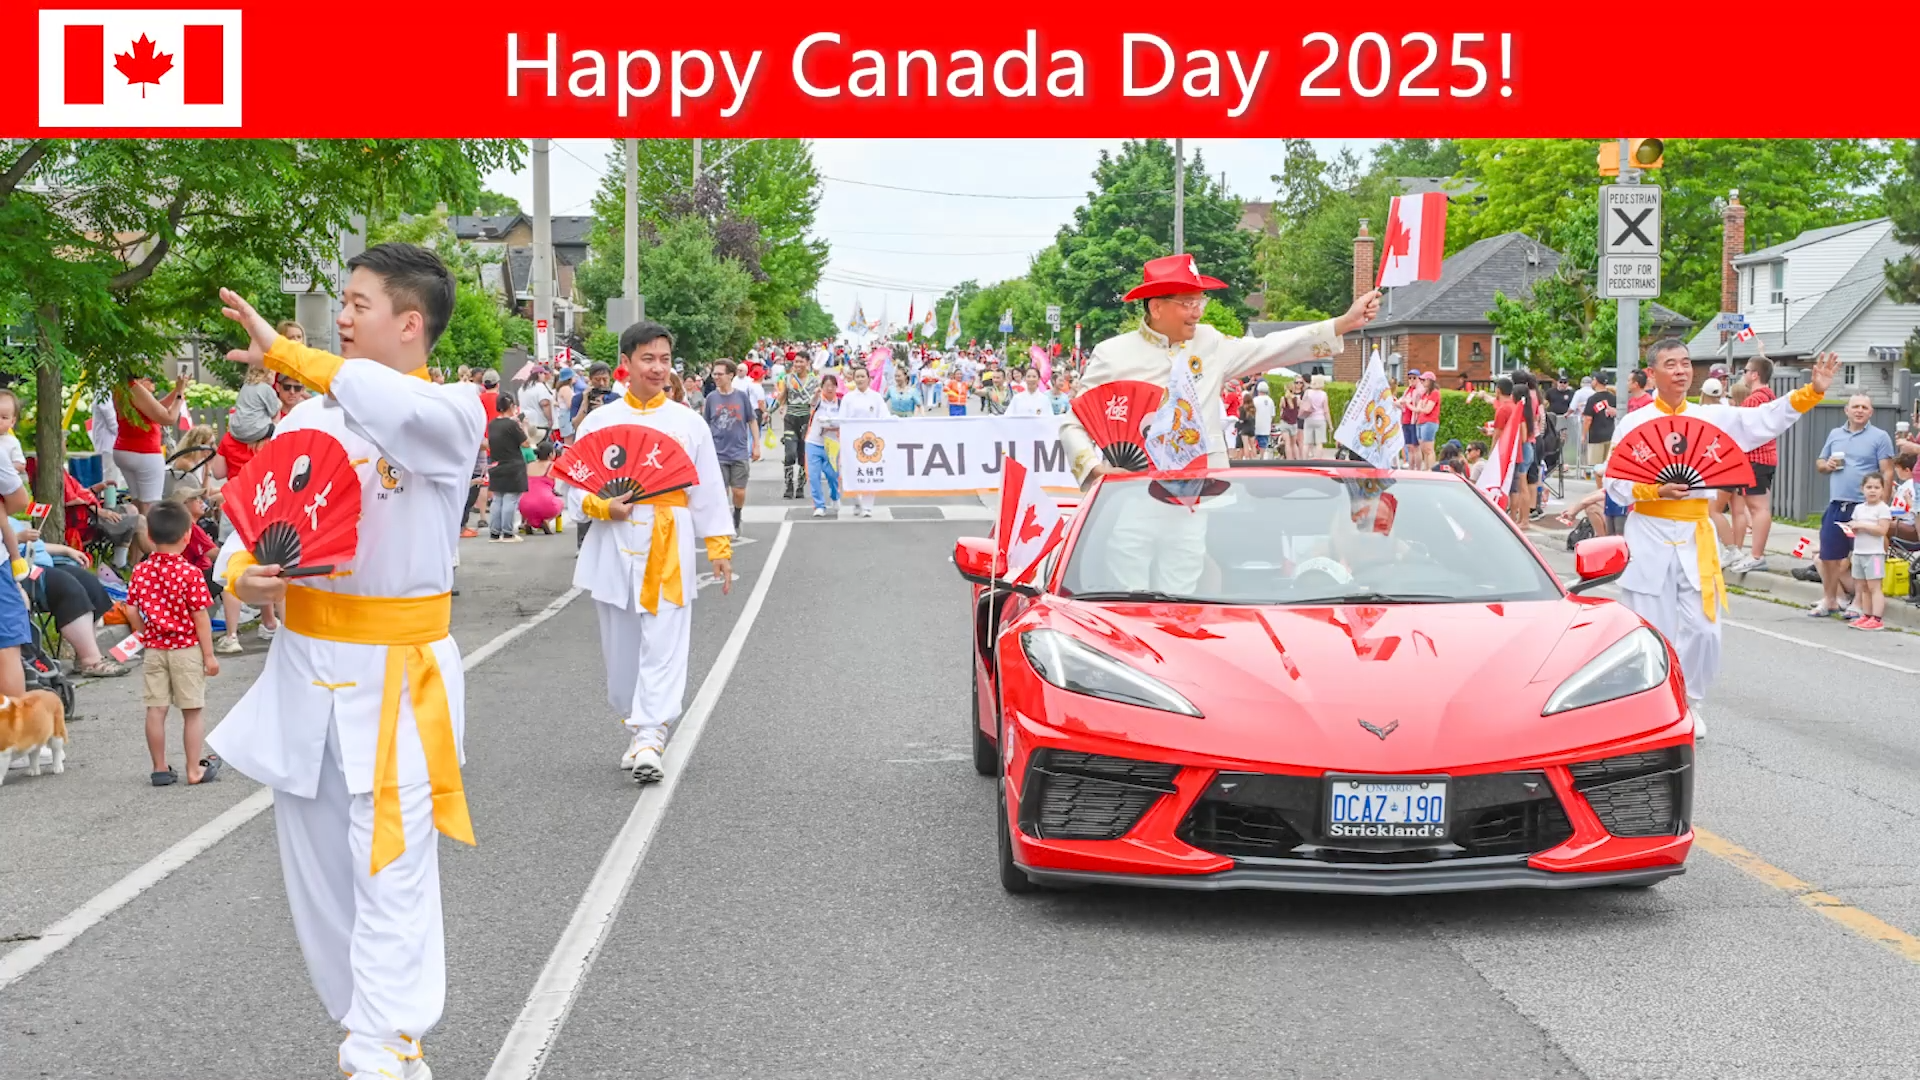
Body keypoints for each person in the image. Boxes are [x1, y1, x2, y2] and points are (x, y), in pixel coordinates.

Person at [212, 242, 486, 1080]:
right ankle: (363, 1025)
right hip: (304, 674)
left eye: (360, 303)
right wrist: (242, 578)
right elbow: (243, 531)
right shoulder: (302, 423)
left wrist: (290, 352)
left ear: (411, 323)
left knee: (390, 865)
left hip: (399, 679)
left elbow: (378, 400)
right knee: (321, 870)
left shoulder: (452, 413)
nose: (344, 315)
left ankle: (387, 1041)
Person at [1058, 255, 1378, 593]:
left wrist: (1343, 323)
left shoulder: (1209, 343)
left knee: (1181, 595)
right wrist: (1095, 470)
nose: (1198, 312)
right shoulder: (1113, 354)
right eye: (1187, 303)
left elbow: (1270, 347)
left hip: (1193, 499)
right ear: (1156, 307)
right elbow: (1073, 421)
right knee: (1127, 596)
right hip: (1132, 499)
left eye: (1200, 301)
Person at [1604, 341, 1836, 738]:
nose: (1680, 371)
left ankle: (1688, 703)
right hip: (1649, 533)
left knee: (1705, 630)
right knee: (1650, 629)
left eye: (1685, 364)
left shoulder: (1712, 418)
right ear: (1653, 373)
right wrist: (1654, 491)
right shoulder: (1633, 424)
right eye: (1669, 364)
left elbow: (1764, 420)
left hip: (1697, 534)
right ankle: (1655, 707)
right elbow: (1614, 481)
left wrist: (1811, 391)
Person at [563, 319, 734, 785]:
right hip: (611, 545)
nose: (658, 368)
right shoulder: (599, 422)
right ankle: (636, 721)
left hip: (667, 542)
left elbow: (709, 492)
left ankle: (650, 735)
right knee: (621, 654)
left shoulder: (688, 423)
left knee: (664, 641)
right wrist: (601, 505)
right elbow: (573, 488)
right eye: (648, 359)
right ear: (626, 364)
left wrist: (718, 545)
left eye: (664, 359)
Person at [126, 499, 220, 787]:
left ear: (150, 537)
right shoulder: (190, 573)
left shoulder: (141, 571)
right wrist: (209, 655)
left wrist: (144, 632)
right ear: (187, 536)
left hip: (155, 650)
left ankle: (160, 767)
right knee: (192, 711)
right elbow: (200, 616)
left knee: (156, 709)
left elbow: (130, 609)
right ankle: (194, 769)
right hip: (186, 649)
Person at [1811, 393, 1898, 619]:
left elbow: (1887, 471)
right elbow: (1820, 463)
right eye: (1855, 406)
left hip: (1864, 507)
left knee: (1862, 556)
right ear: (1846, 410)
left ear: (1871, 412)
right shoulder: (1835, 434)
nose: (1859, 410)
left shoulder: (1880, 437)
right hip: (1837, 503)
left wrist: (1882, 506)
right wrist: (1826, 464)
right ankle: (1830, 599)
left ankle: (1859, 603)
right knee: (1829, 556)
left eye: (1864, 407)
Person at [114, 369, 188, 512]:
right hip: (144, 451)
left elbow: (154, 409)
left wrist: (177, 390)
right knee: (150, 506)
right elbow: (169, 418)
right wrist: (180, 395)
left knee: (137, 503)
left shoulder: (121, 387)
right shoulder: (134, 388)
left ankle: (137, 533)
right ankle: (149, 534)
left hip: (124, 449)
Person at [702, 359, 760, 531]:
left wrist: (756, 445)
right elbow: (705, 425)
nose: (716, 377)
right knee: (721, 491)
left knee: (739, 491)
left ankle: (737, 513)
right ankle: (723, 520)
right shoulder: (711, 398)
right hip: (718, 452)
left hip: (739, 452)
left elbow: (752, 421)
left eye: (720, 374)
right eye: (714, 374)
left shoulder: (741, 397)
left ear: (731, 375)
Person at [219, 352, 286, 479]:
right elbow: (273, 411)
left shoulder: (245, 387)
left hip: (237, 430)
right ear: (268, 374)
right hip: (257, 431)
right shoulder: (266, 389)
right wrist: (279, 403)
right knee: (277, 413)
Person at [1844, 474, 1893, 631]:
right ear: (1862, 489)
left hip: (1875, 554)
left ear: (1882, 490)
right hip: (1859, 552)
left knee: (1874, 586)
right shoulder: (1859, 508)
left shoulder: (1883, 509)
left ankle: (1877, 619)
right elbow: (1855, 530)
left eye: (1876, 487)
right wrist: (1852, 527)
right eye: (1869, 487)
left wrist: (1863, 525)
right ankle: (1866, 615)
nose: (1872, 491)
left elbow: (1882, 530)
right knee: (1862, 587)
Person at [486, 395, 530, 542]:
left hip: (497, 463)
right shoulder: (511, 425)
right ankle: (508, 532)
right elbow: (526, 443)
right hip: (513, 464)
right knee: (510, 499)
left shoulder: (492, 424)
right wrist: (523, 426)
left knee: (497, 499)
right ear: (511, 406)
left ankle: (494, 532)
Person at [778, 353, 818, 500]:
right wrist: (769, 411)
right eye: (796, 362)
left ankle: (800, 486)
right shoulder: (788, 378)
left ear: (807, 363)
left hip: (806, 420)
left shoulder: (814, 381)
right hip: (790, 418)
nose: (798, 365)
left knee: (802, 455)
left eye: (801, 362)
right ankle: (789, 484)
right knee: (790, 454)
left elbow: (817, 401)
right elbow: (783, 396)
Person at [805, 373, 844, 517]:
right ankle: (819, 505)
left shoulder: (840, 404)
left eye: (832, 386)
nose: (829, 389)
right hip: (814, 442)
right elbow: (812, 402)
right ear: (822, 387)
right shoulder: (818, 401)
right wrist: (815, 394)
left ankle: (835, 496)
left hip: (832, 444)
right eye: (826, 386)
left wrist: (831, 427)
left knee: (832, 474)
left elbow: (843, 422)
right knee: (814, 476)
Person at [518, 368, 556, 443]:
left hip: (525, 421)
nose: (544, 376)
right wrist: (550, 419)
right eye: (543, 374)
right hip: (539, 422)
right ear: (539, 374)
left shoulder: (522, 387)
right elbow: (545, 404)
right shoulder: (540, 387)